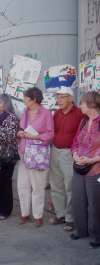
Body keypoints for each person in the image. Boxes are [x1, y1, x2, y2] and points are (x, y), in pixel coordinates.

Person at [17, 87, 54, 228]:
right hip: (24, 152)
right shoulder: (25, 113)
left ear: (34, 99)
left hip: (38, 154)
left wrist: (35, 136)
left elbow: (50, 134)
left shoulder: (46, 113)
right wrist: (20, 133)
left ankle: (38, 215)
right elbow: (21, 128)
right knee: (22, 185)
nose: (24, 100)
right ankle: (24, 213)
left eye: (26, 98)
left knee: (38, 186)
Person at [49, 86, 85, 231]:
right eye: (57, 97)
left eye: (62, 97)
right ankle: (60, 214)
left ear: (70, 98)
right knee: (56, 185)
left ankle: (70, 218)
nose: (59, 100)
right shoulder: (56, 113)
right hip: (55, 151)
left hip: (69, 153)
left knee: (70, 186)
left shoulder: (79, 113)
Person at [70, 91, 100, 249]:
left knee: (95, 204)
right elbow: (75, 142)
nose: (80, 105)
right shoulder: (83, 122)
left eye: (82, 103)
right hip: (79, 168)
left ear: (92, 104)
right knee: (78, 201)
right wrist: (74, 154)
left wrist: (92, 159)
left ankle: (96, 235)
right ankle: (80, 230)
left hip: (95, 170)